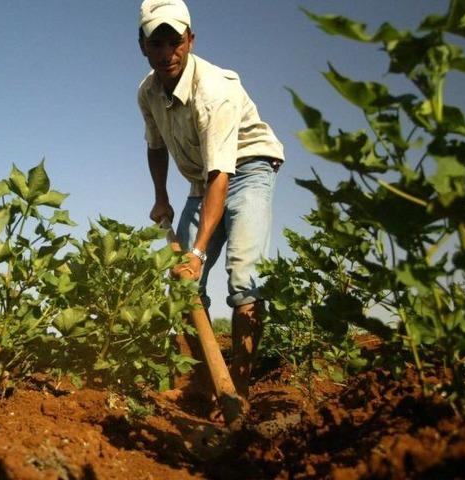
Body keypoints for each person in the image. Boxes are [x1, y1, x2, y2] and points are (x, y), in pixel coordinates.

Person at [136, 0, 284, 400]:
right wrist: (161, 198)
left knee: (244, 276)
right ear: (142, 46)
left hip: (248, 166)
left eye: (175, 42)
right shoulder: (148, 92)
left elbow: (222, 173)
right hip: (204, 178)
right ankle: (199, 385)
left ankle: (238, 391)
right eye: (156, 43)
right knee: (181, 280)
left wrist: (198, 252)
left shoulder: (215, 91)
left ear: (190, 40)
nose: (167, 53)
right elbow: (155, 146)